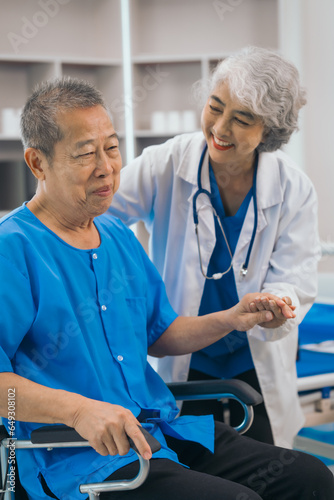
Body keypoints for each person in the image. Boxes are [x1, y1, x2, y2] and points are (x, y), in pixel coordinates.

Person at [0, 77, 331, 500]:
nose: (106, 167)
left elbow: (162, 334)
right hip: (81, 457)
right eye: (85, 153)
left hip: (161, 431)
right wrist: (78, 409)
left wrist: (232, 318)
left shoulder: (116, 234)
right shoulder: (14, 250)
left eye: (112, 148)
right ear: (37, 163)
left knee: (309, 478)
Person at [109, 46, 321, 447]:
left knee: (267, 468)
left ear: (270, 130)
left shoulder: (293, 189)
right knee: (190, 464)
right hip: (184, 357)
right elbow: (98, 209)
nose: (220, 129)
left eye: (242, 119)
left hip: (254, 362)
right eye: (215, 107)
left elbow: (295, 277)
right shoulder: (167, 163)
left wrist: (277, 306)